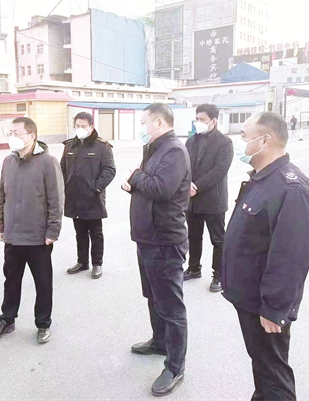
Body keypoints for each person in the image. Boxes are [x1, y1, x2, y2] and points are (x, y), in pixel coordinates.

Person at [222, 112, 309, 400]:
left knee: (274, 375)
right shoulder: (263, 179)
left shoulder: (291, 188)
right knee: (263, 367)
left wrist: (274, 308)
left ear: (264, 141)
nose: (240, 142)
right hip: (250, 297)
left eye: (244, 136)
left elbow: (291, 257)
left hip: (264, 304)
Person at [121, 103, 191, 397]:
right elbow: (148, 184)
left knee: (171, 306)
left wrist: (136, 176)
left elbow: (161, 188)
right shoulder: (154, 148)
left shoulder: (173, 150)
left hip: (165, 241)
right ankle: (159, 341)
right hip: (148, 238)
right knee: (153, 295)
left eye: (144, 122)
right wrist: (133, 183)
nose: (141, 127)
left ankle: (175, 367)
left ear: (159, 122)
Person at [0, 117, 64, 344]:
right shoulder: (8, 162)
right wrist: (1, 225)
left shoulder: (48, 162)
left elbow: (56, 199)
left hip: (38, 237)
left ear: (32, 136)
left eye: (17, 133)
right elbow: (2, 196)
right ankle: (7, 319)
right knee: (11, 281)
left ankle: (43, 323)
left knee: (43, 283)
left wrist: (52, 231)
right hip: (13, 235)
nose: (13, 137)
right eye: (11, 132)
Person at [183, 104, 233, 292]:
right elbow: (184, 164)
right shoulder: (191, 141)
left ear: (213, 121)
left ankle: (219, 275)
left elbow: (220, 170)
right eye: (196, 119)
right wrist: (187, 183)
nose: (198, 122)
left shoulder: (224, 142)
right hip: (192, 200)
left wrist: (197, 186)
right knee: (193, 236)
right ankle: (194, 268)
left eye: (202, 119)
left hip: (213, 199)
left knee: (218, 240)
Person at [61, 112, 116, 279]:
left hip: (93, 197)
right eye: (77, 126)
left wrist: (96, 188)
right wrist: (64, 188)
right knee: (80, 232)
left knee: (96, 233)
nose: (79, 129)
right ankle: (82, 262)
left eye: (83, 126)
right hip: (74, 196)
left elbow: (109, 170)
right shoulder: (69, 145)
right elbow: (62, 169)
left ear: (91, 126)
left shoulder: (102, 146)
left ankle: (97, 264)